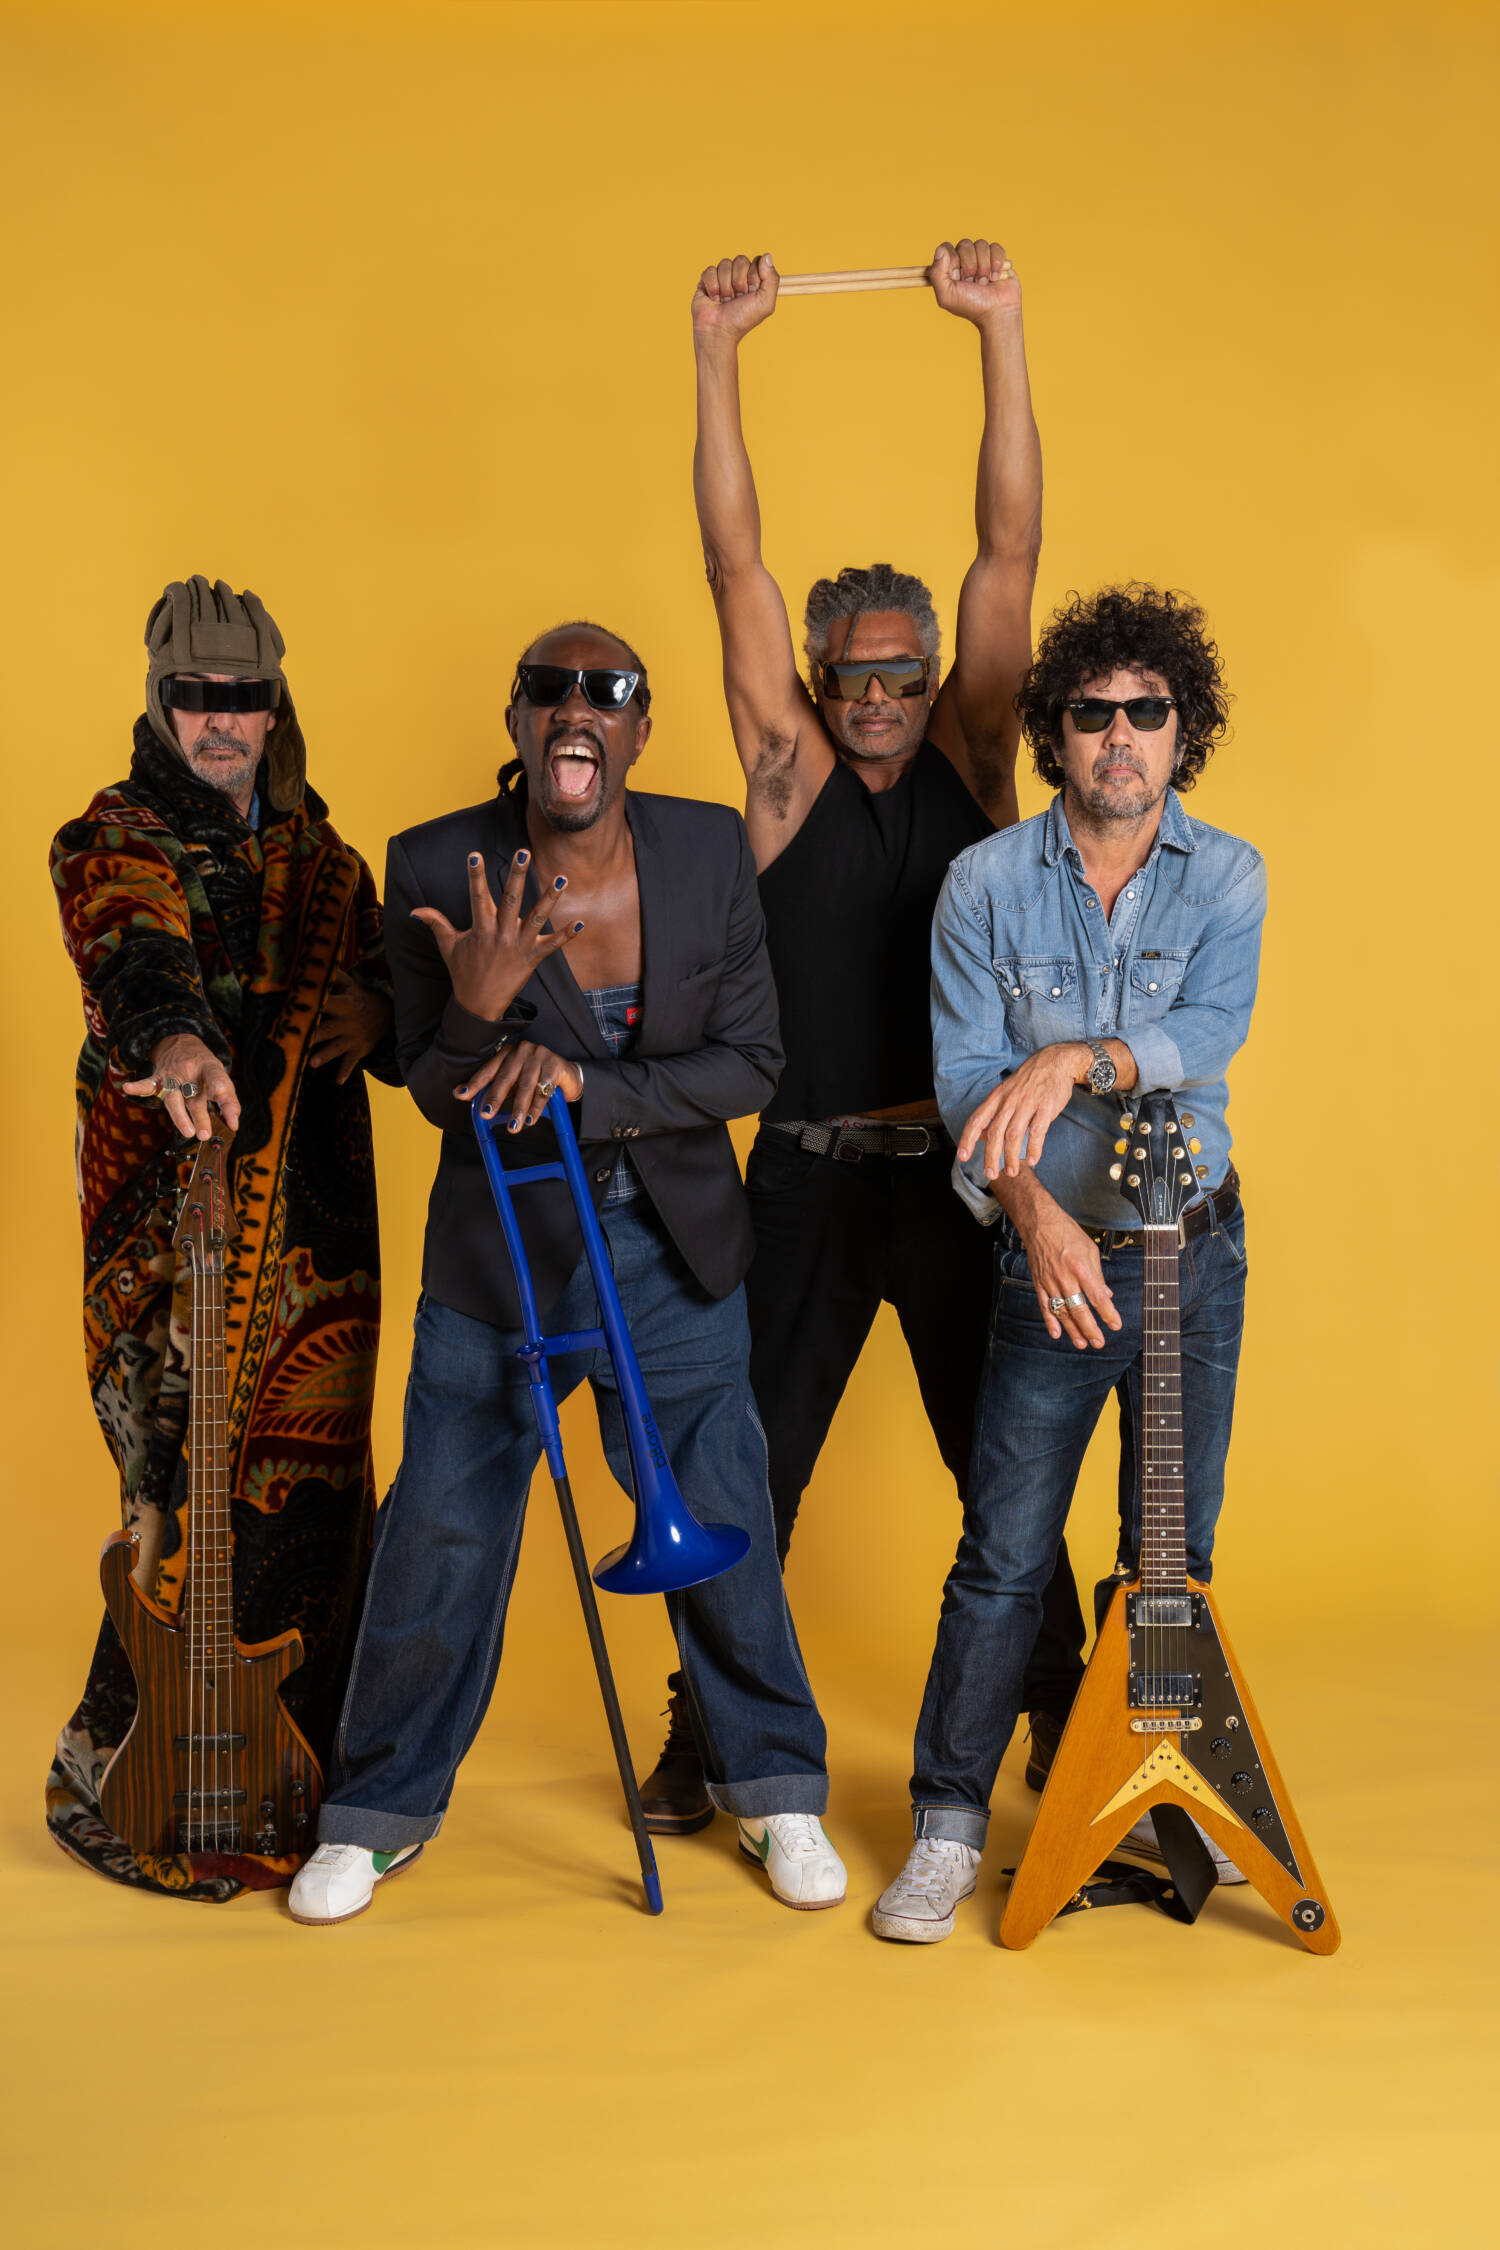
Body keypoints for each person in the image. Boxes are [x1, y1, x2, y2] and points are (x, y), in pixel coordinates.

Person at [289, 621, 845, 1927]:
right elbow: (433, 1085)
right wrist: (478, 1008)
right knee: (442, 1525)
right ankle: (375, 1815)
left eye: (608, 691)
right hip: (501, 1254)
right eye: (550, 689)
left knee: (723, 1512)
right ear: (519, 722)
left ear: (640, 730)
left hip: (676, 1246)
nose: (576, 706)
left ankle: (774, 1786)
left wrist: (590, 1087)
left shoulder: (708, 849)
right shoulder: (433, 863)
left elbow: (752, 1064)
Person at [636, 238, 1086, 1835]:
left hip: (965, 1176)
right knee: (750, 1467)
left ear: (932, 674)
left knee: (1006, 1463)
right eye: (856, 676)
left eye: (905, 671)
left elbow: (1012, 545)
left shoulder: (980, 749)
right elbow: (732, 566)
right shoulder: (787, 771)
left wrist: (999, 328)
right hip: (804, 1183)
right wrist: (718, 350)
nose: (882, 695)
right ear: (822, 683)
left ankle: (1066, 1719)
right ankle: (711, 1728)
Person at [872, 582, 1266, 1941]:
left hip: (1192, 1257)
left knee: (1172, 1553)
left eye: (1147, 712)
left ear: (1182, 728)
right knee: (1002, 1556)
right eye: (1093, 712)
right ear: (1056, 731)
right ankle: (948, 1825)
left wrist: (1077, 1059)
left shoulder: (1227, 875)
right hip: (1049, 1256)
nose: (1120, 736)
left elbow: (1210, 1028)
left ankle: (1148, 1791)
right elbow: (965, 1085)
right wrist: (1033, 1219)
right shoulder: (984, 885)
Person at [47, 575, 398, 1899]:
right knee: (174, 1502)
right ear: (160, 701)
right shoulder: (114, 836)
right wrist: (180, 1041)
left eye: (242, 697)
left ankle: (294, 1783)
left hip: (318, 1238)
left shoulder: (330, 864)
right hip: (169, 1234)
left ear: (272, 703)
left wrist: (386, 1013)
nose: (219, 720)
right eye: (194, 695)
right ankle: (120, 1777)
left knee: (314, 1496)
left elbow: (396, 1005)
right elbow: (135, 949)